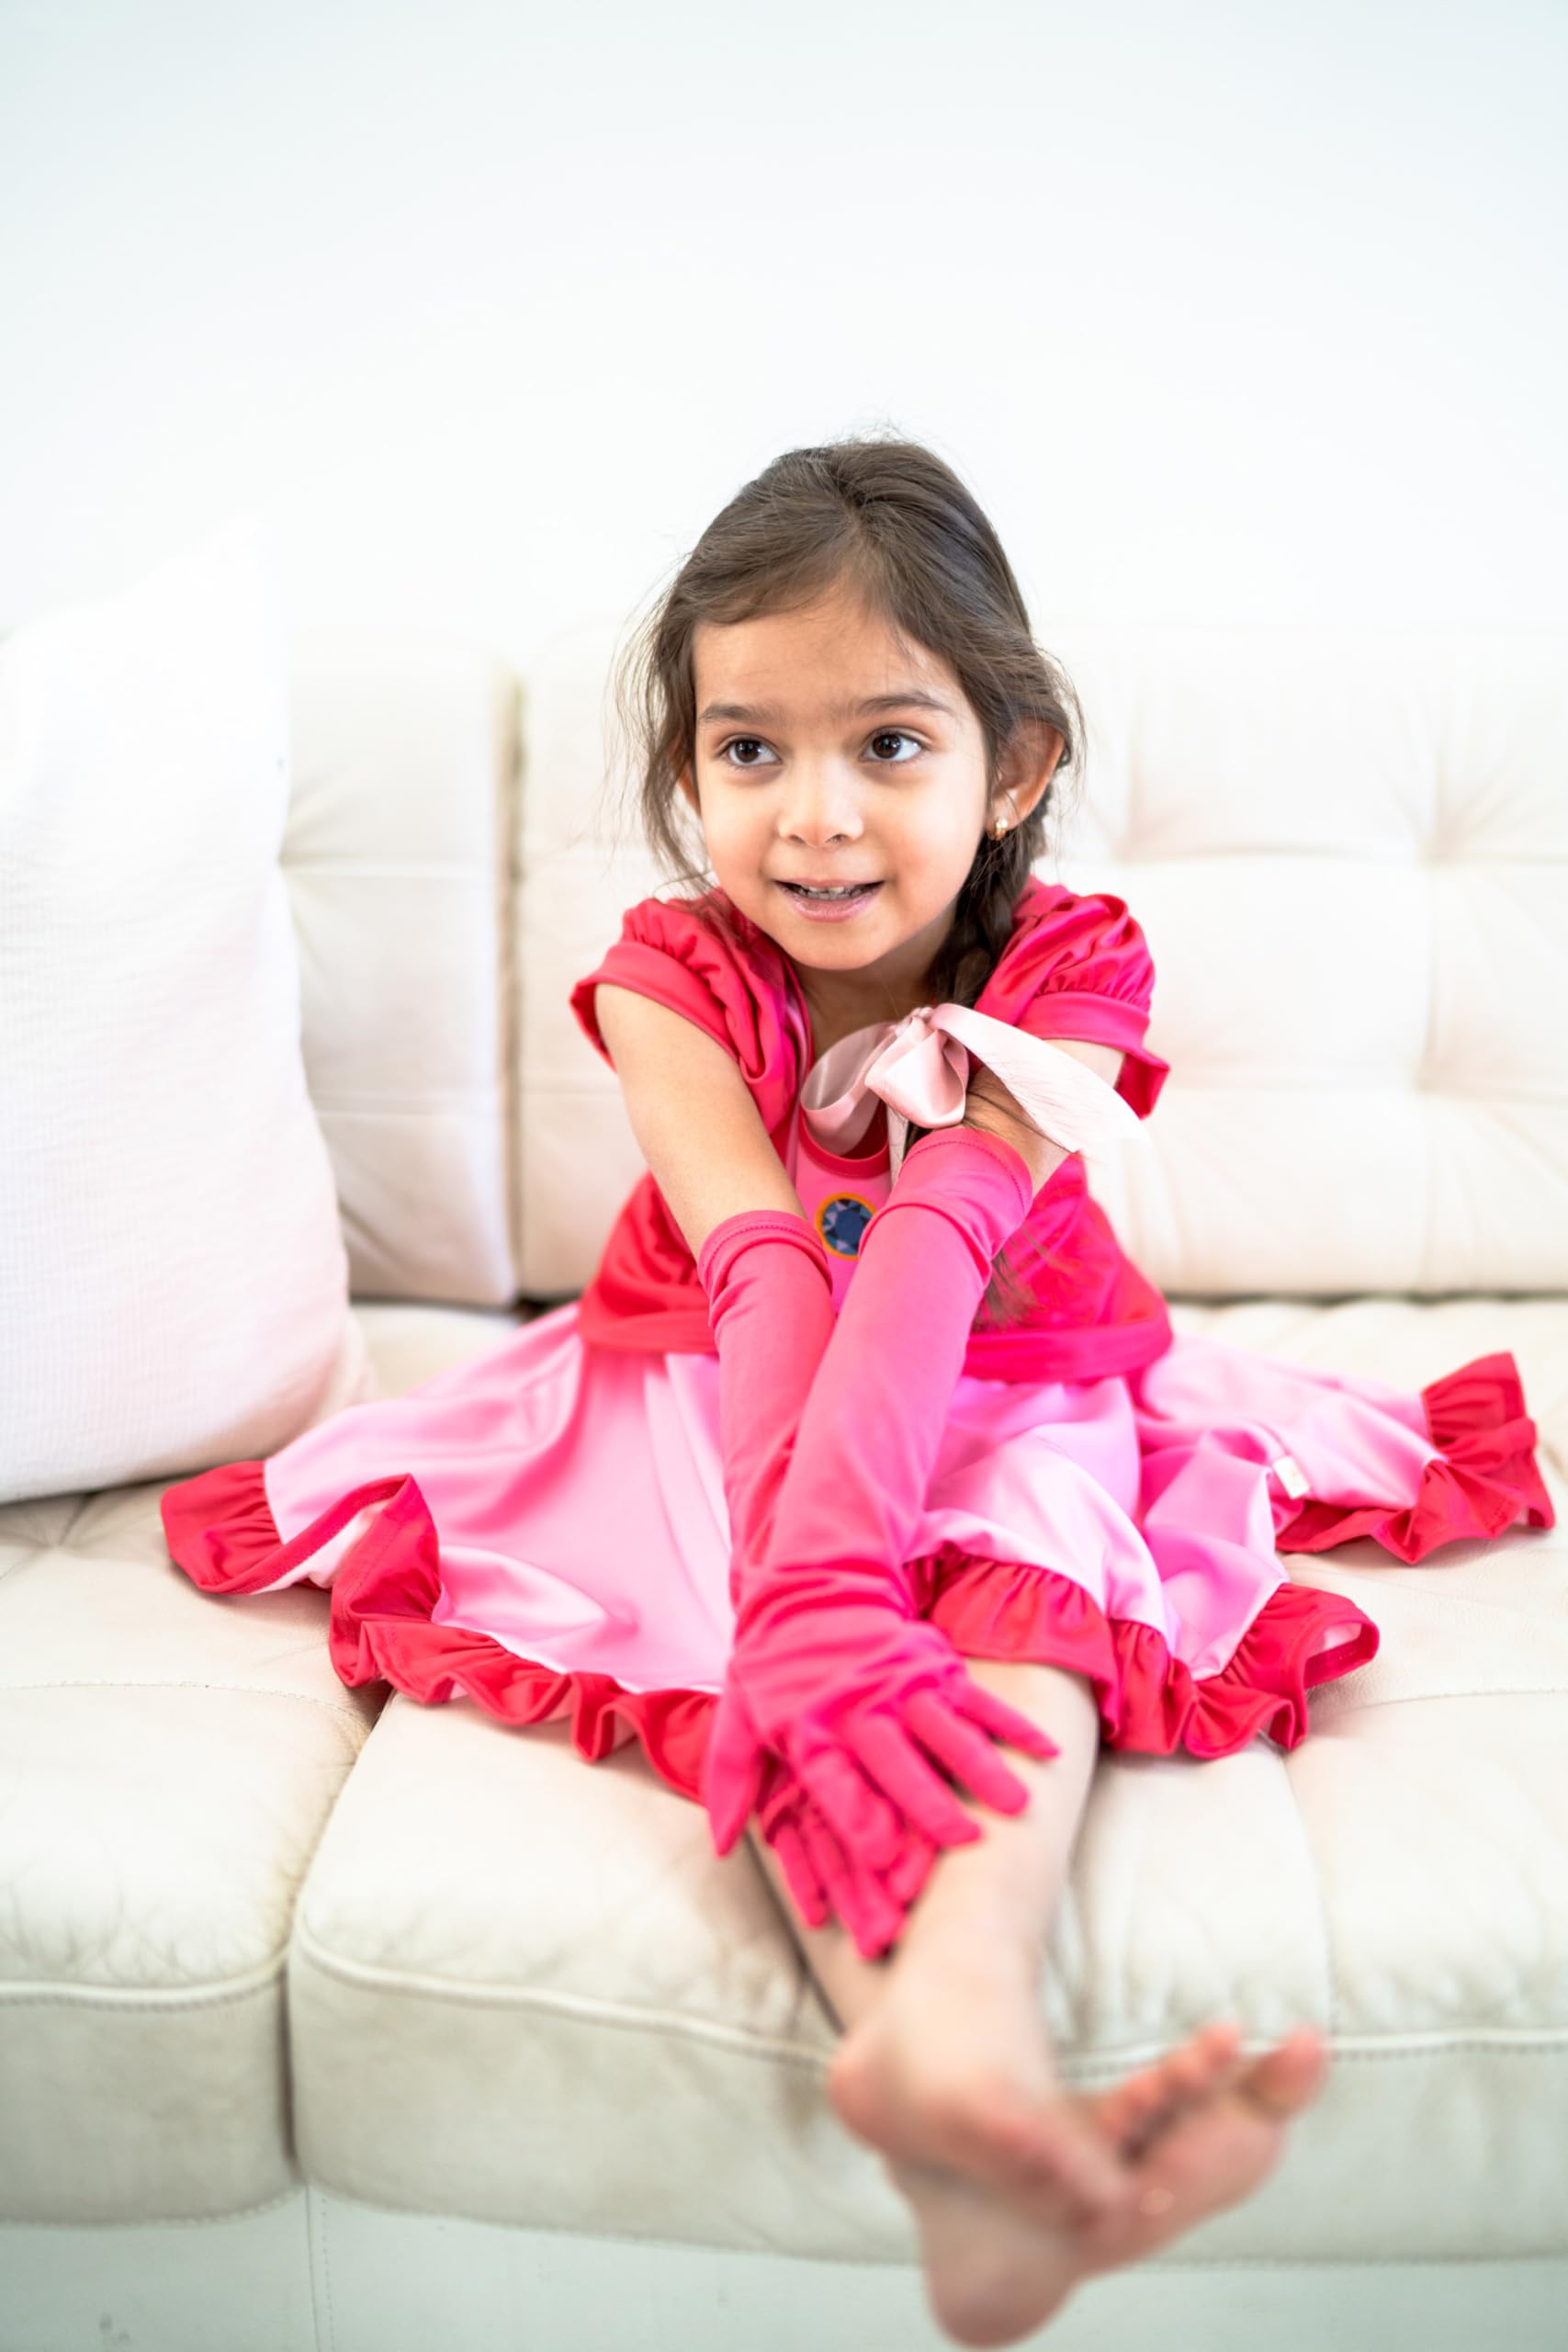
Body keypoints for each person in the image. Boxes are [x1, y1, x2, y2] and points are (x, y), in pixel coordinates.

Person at [161, 435, 1555, 2348]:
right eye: (749, 749)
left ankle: (959, 2034)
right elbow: (763, 1272)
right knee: (773, 1649)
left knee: (1026, 1605)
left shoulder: (1072, 967)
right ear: (689, 770)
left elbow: (926, 1258)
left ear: (1016, 764)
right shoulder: (666, 978)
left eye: (888, 744)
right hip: (714, 1376)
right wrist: (800, 1591)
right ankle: (939, 2088)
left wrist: (838, 1583)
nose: (813, 820)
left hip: (1005, 1368)